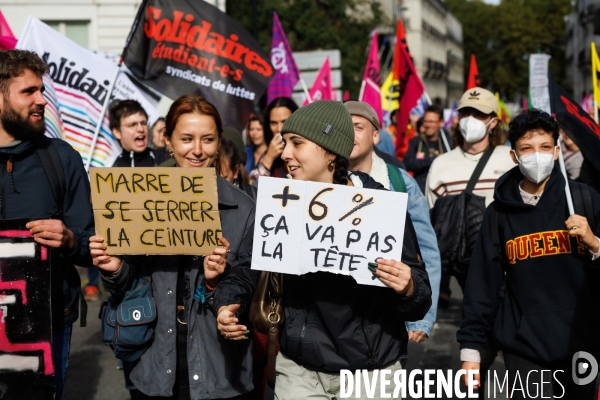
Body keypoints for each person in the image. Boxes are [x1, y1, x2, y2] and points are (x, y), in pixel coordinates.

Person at [90, 95, 257, 399]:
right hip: (154, 366)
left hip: (218, 370)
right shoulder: (137, 199)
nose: (197, 150)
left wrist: (216, 281)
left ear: (219, 142)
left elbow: (249, 279)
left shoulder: (242, 208)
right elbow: (124, 286)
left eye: (207, 139)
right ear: (168, 140)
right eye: (186, 138)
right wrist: (115, 268)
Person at [273, 100, 432, 399]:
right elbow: (252, 271)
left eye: (297, 143)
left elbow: (419, 296)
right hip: (299, 372)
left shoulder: (380, 206)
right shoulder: (281, 203)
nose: (285, 154)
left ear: (330, 152)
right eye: (285, 143)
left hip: (370, 376)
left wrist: (408, 286)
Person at [458, 109, 600, 399]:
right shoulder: (498, 214)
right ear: (514, 155)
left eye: (545, 147)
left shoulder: (585, 200)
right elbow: (481, 286)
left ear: (557, 151)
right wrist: (470, 350)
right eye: (527, 148)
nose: (538, 155)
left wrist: (594, 243)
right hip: (524, 346)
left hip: (582, 341)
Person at [0, 49, 95, 399]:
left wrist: (70, 240)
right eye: (29, 91)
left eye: (42, 89)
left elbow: (90, 243)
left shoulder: (63, 159)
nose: (42, 100)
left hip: (49, 324)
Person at [345, 100, 441, 344]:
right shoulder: (321, 183)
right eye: (343, 127)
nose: (350, 134)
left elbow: (426, 251)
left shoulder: (401, 183)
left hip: (389, 316)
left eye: (358, 127)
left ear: (376, 135)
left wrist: (422, 316)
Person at [248, 97, 298, 181]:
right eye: (274, 123)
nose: (279, 128)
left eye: (285, 121)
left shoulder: (307, 148)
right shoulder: (269, 153)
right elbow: (253, 186)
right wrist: (269, 158)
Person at [404, 104, 451, 193]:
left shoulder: (448, 142)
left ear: (441, 122)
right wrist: (433, 160)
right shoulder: (416, 141)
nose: (428, 125)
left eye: (432, 121)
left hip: (443, 192)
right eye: (426, 121)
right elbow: (407, 163)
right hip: (421, 191)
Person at [110, 99, 157, 167]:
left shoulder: (169, 162)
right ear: (117, 132)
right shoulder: (111, 172)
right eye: (132, 125)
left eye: (143, 123)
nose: (141, 129)